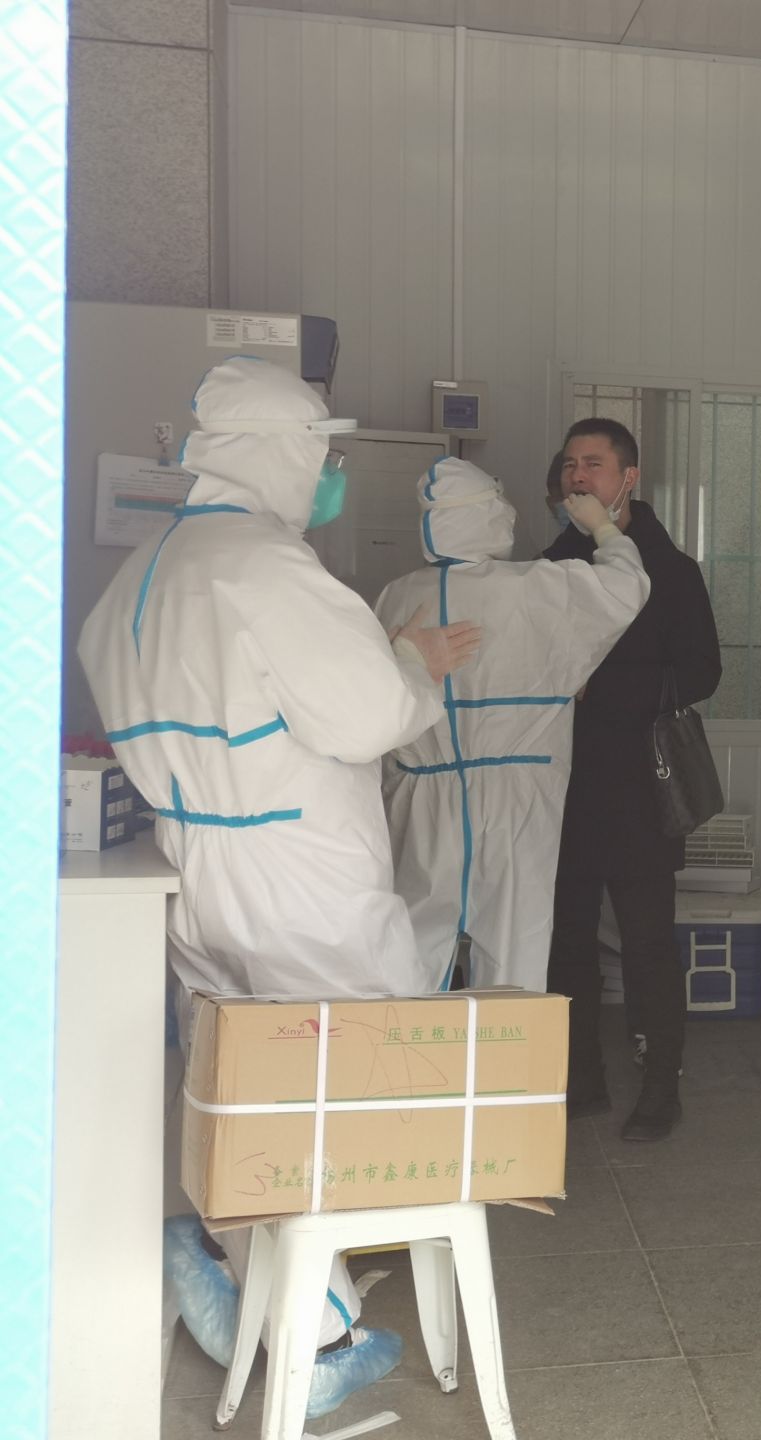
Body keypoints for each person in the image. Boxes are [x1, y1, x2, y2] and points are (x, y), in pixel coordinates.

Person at [77, 357, 482, 1416]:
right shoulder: (266, 566)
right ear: (277, 453)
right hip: (303, 876)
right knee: (346, 1096)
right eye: (321, 453)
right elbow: (367, 717)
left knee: (245, 1090)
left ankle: (241, 1261)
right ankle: (323, 1330)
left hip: (196, 872)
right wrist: (413, 661)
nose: (329, 474)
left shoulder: (139, 577)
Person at [376, 456, 649, 992]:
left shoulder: (395, 596)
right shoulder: (537, 586)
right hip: (517, 796)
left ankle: (408, 1047)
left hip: (421, 796)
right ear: (486, 515)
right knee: (515, 949)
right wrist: (604, 528)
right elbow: (628, 587)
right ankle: (508, 1048)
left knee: (412, 948)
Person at [544, 417, 721, 1141]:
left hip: (642, 787)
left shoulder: (670, 570)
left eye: (594, 463)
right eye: (570, 464)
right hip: (562, 784)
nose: (578, 476)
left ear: (629, 478)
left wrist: (605, 689)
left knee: (648, 943)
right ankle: (579, 1077)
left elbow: (702, 673)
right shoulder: (553, 563)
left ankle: (660, 1086)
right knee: (566, 939)